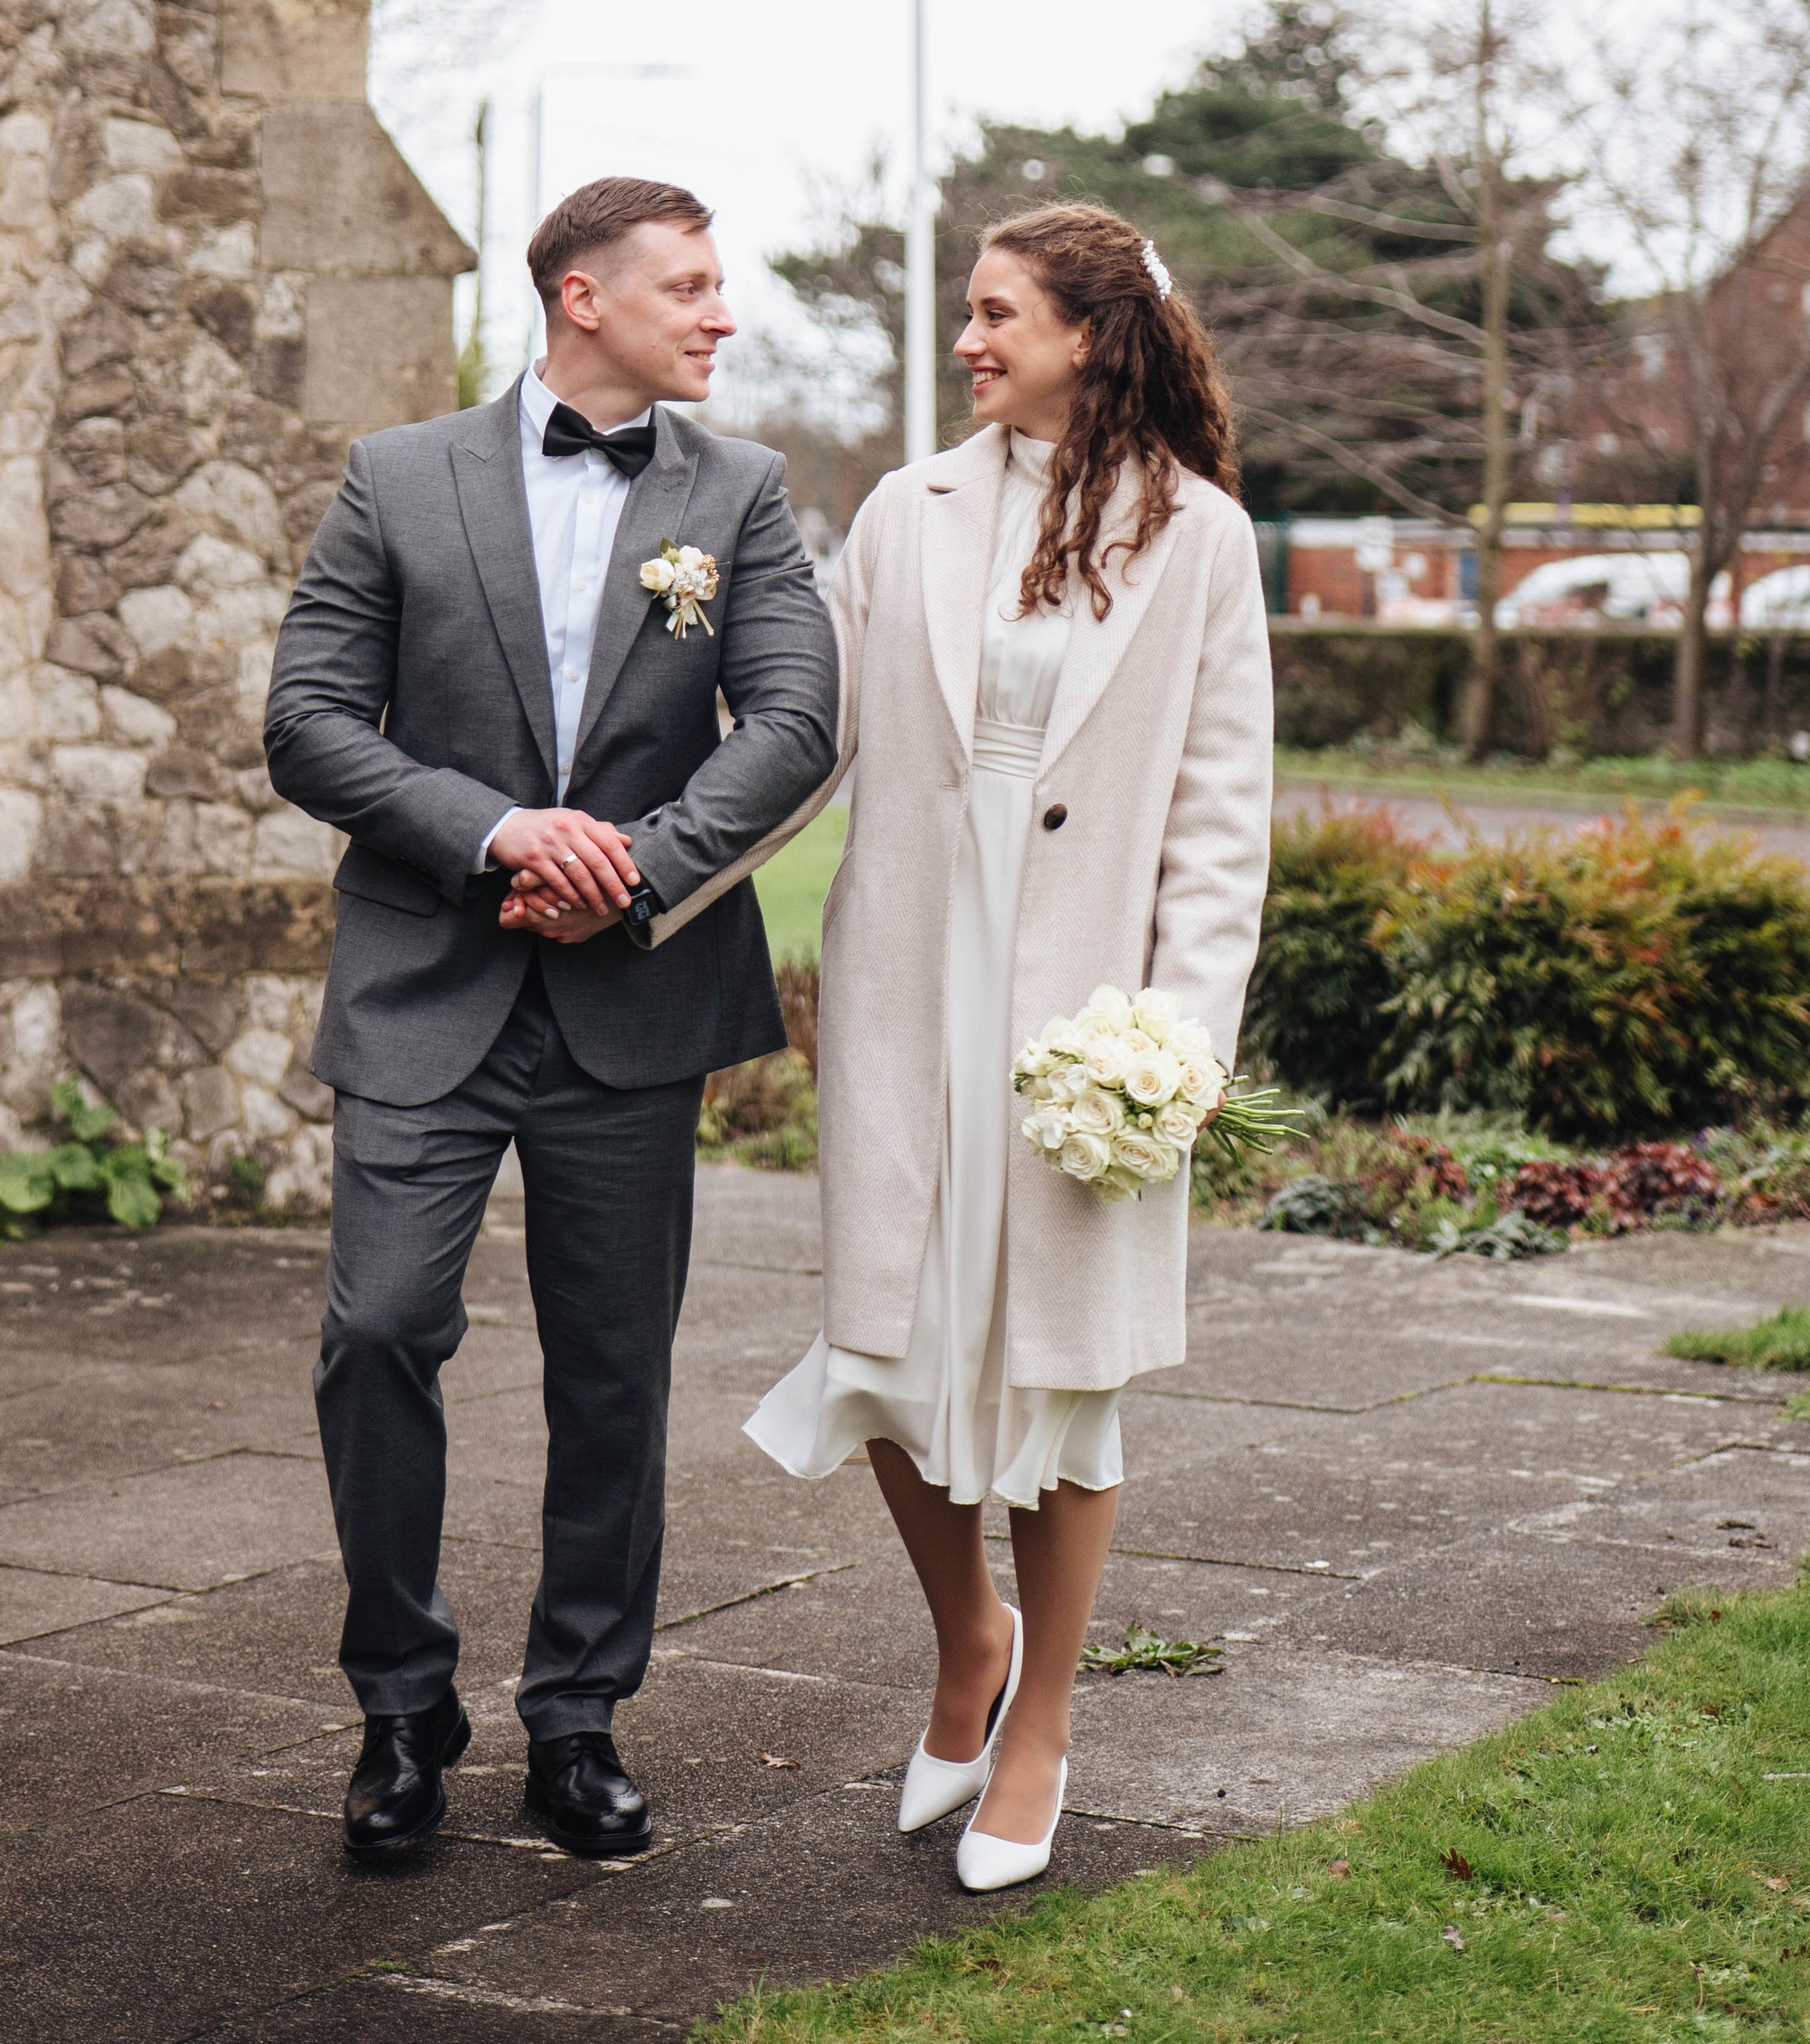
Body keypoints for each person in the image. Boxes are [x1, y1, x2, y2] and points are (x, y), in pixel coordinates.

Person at [265, 178, 838, 1865]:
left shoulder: (739, 492)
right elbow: (306, 723)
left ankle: (578, 1719)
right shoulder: (398, 475)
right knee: (376, 1335)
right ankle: (400, 1704)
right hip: (425, 986)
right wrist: (502, 831)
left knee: (613, 1375)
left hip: (632, 999)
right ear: (583, 298)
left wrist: (634, 871)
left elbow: (799, 717)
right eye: (692, 286)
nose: (722, 314)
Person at [747, 203, 1272, 1889]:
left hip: (1084, 1010)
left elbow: (1219, 816)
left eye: (996, 315)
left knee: (1059, 1368)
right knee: (888, 1344)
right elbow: (798, 734)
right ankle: (965, 1636)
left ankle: (1040, 1718)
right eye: (968, 315)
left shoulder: (1200, 540)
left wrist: (1173, 1045)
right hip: (910, 971)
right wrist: (641, 865)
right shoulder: (911, 510)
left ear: (1090, 336)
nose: (967, 342)